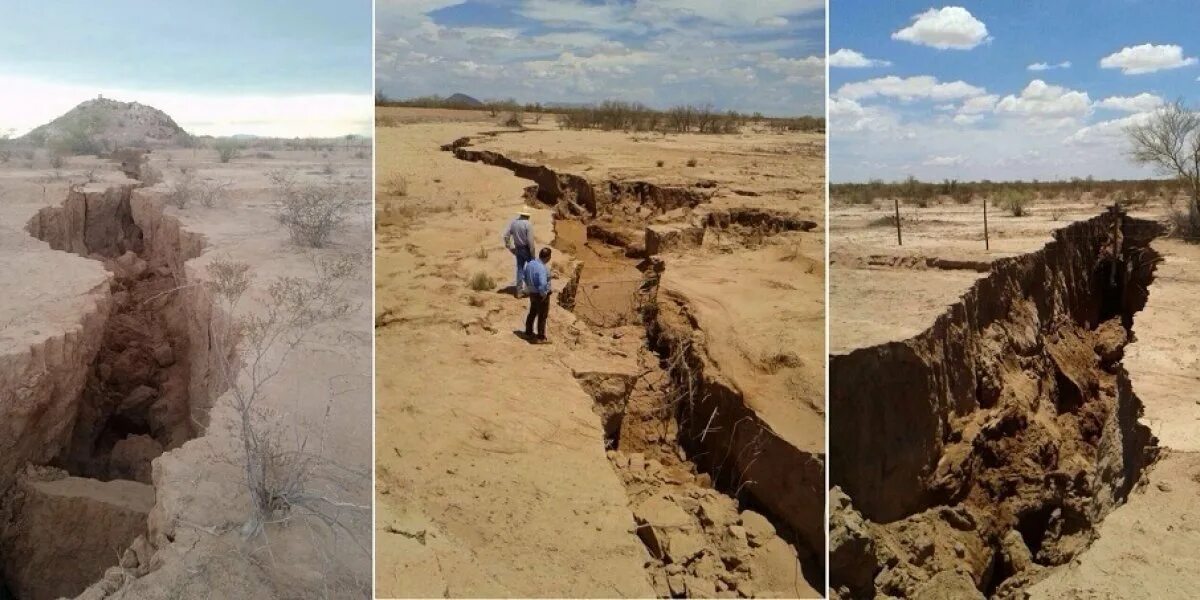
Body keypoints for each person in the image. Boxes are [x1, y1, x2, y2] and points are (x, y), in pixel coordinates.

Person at [522, 247, 553, 343]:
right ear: (548, 257)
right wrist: (543, 294)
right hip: (540, 295)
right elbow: (542, 284)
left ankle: (528, 333)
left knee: (532, 313)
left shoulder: (531, 263)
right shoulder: (542, 268)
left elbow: (525, 276)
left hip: (532, 293)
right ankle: (540, 337)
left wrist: (530, 288)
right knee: (542, 316)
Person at [502, 209, 535, 296]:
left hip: (518, 249)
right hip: (526, 249)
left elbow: (506, 236)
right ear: (528, 215)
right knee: (531, 269)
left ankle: (519, 291)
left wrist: (510, 247)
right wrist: (533, 254)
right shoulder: (528, 224)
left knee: (520, 269)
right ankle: (529, 290)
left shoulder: (514, 223)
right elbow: (530, 241)